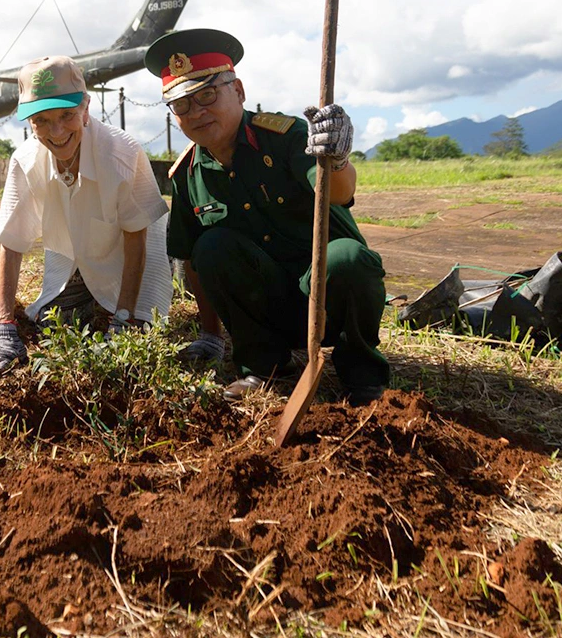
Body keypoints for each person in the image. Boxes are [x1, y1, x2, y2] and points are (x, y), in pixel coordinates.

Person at [144, 28, 388, 405]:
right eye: (182, 105)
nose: (196, 112)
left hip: (327, 295)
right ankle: (262, 366)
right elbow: (193, 262)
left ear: (238, 91)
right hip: (269, 309)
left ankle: (363, 374)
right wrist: (210, 336)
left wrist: (336, 158)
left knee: (348, 258)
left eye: (207, 95)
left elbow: (341, 192)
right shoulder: (187, 175)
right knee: (212, 246)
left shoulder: (286, 137)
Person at [0, 55, 173, 374]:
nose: (56, 132)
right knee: (57, 332)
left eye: (67, 115)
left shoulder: (121, 154)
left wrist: (124, 317)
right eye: (41, 119)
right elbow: (11, 245)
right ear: (29, 122)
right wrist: (3, 326)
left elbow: (136, 239)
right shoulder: (26, 161)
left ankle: (146, 293)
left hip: (135, 259)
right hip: (74, 259)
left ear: (85, 107)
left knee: (132, 352)